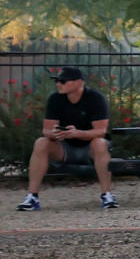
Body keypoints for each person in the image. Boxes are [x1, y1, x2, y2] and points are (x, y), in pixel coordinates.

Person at [20, 68, 118, 210]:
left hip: (90, 149)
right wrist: (54, 134)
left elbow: (101, 131)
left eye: (63, 81)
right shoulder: (55, 99)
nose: (58, 84)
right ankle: (32, 197)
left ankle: (107, 195)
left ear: (78, 82)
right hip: (65, 148)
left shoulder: (95, 98)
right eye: (57, 81)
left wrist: (78, 133)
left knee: (100, 143)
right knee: (41, 142)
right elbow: (47, 129)